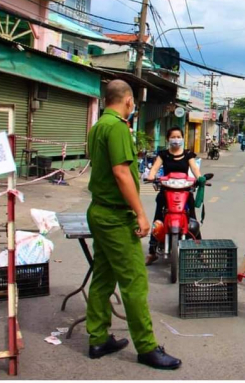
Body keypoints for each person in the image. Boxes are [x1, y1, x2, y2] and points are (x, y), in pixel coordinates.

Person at [86, 79, 181, 369]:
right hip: (114, 216)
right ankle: (146, 347)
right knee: (134, 281)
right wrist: (140, 212)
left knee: (103, 277)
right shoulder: (116, 127)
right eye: (134, 102)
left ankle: (98, 337)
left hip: (99, 211)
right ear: (128, 101)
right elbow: (121, 173)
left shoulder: (99, 125)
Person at [145, 127, 203, 264]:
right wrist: (151, 176)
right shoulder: (163, 154)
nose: (176, 139)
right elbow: (154, 168)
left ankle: (200, 251)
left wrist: (200, 179)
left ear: (182, 138)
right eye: (173, 137)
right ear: (168, 139)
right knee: (158, 218)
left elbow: (195, 169)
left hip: (185, 192)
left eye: (179, 137)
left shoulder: (188, 154)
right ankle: (152, 251)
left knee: (192, 219)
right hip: (166, 191)